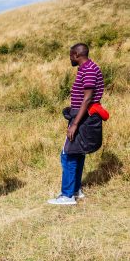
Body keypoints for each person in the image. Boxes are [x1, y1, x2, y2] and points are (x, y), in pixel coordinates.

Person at [48, 43, 105, 205]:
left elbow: (87, 98)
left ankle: (67, 195)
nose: (69, 58)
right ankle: (75, 190)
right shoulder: (90, 67)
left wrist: (74, 124)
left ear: (76, 55)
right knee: (78, 153)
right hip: (84, 117)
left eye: (70, 56)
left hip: (83, 118)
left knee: (68, 154)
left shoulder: (88, 70)